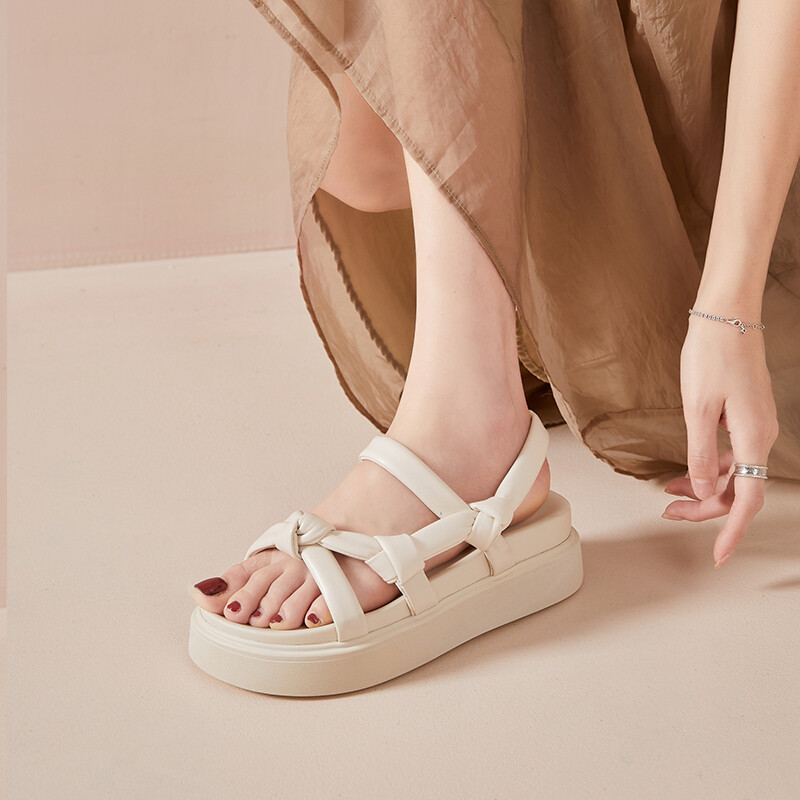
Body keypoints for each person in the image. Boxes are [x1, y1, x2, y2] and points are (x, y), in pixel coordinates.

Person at [189, 1, 799, 690]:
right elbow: (368, 166)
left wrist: (730, 312)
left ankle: (464, 422)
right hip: (560, 227)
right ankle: (465, 397)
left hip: (748, 208)